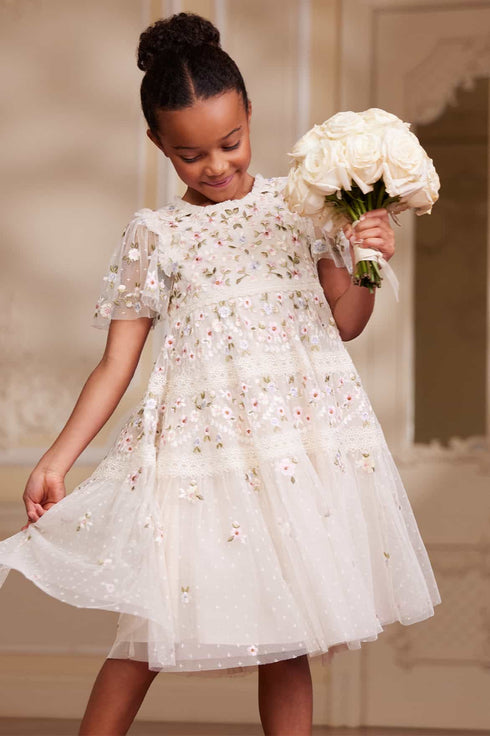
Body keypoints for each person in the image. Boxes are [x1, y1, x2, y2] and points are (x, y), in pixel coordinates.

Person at [0, 12, 441, 736]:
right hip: (204, 456)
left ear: (249, 117)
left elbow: (345, 323)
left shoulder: (303, 210)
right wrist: (57, 459)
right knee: (147, 627)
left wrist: (367, 256)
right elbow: (116, 364)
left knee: (291, 635)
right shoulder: (156, 234)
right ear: (158, 145)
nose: (216, 166)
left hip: (294, 453)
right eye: (190, 154)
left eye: (231, 143)